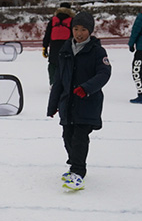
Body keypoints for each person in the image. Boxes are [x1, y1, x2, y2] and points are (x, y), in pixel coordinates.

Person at [46, 11, 111, 191]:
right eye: (76, 29)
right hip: (68, 103)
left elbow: (104, 73)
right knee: (67, 136)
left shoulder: (98, 51)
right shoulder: (65, 50)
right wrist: (53, 105)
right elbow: (59, 79)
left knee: (80, 138)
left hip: (88, 103)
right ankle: (75, 164)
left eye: (83, 29)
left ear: (90, 31)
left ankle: (77, 171)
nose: (79, 33)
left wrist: (87, 88)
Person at [42, 3, 75, 85]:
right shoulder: (72, 20)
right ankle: (67, 82)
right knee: (67, 64)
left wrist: (45, 47)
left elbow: (47, 35)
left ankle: (53, 82)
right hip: (67, 46)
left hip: (54, 46)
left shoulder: (53, 20)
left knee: (53, 65)